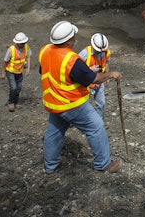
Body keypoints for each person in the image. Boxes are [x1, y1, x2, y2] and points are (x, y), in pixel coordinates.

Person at [39, 20, 122, 174]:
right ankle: (103, 164)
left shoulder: (45, 50)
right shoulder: (71, 60)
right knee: (96, 127)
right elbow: (92, 79)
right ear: (69, 41)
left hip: (53, 102)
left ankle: (51, 165)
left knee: (54, 132)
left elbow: (44, 70)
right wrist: (111, 74)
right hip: (72, 104)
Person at [79, 33, 111, 119]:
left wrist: (107, 76)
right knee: (82, 105)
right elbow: (76, 69)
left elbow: (107, 63)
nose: (101, 53)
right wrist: (89, 69)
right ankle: (80, 120)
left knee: (101, 103)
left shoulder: (106, 51)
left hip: (99, 81)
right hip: (87, 83)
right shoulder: (85, 53)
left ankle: (98, 121)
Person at [1, 32, 31, 112]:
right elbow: (5, 61)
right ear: (17, 43)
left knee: (18, 88)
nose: (23, 44)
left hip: (19, 72)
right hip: (10, 72)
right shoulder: (11, 50)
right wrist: (3, 73)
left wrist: (28, 68)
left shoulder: (26, 47)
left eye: (24, 43)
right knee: (13, 88)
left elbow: (28, 56)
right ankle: (11, 103)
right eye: (21, 43)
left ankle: (15, 102)